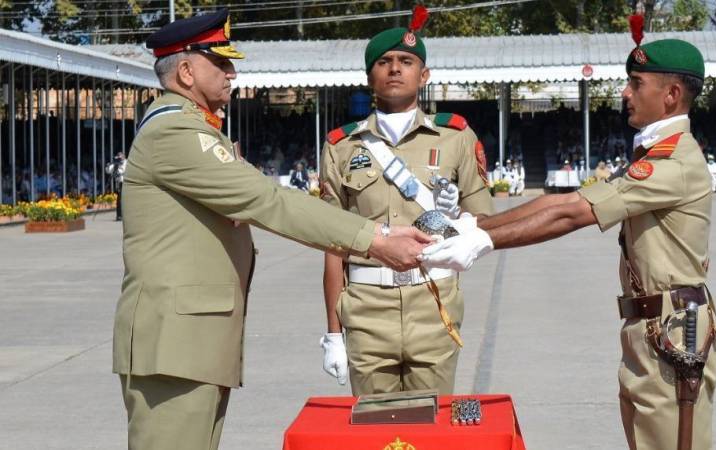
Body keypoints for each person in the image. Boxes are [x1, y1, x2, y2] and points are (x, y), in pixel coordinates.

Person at [113, 10, 430, 450]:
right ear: (185, 71)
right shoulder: (175, 132)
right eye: (220, 64)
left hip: (189, 344)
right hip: (174, 346)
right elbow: (270, 201)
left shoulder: (192, 129)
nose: (232, 73)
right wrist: (376, 240)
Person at [422, 35, 716, 450]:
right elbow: (564, 200)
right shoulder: (653, 156)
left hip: (674, 330)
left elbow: (573, 213)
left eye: (636, 82)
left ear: (670, 94)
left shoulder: (676, 163)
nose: (625, 92)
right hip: (650, 327)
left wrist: (482, 241)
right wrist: (478, 225)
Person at [319, 4, 494, 396]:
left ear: (424, 75)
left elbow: (483, 221)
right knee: (375, 430)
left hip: (434, 303)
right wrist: (333, 331)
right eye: (384, 61)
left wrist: (456, 220)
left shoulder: (456, 137)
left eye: (406, 61)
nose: (395, 68)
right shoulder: (340, 146)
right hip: (366, 308)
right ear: (370, 77)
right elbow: (331, 242)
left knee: (432, 428)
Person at [105, 152, 127, 220]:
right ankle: (119, 215)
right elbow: (109, 171)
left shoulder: (127, 162)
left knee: (125, 199)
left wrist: (118, 169)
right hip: (119, 183)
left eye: (120, 157)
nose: (119, 159)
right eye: (118, 157)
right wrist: (108, 166)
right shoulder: (116, 163)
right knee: (119, 199)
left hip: (126, 183)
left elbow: (123, 170)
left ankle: (125, 215)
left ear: (123, 157)